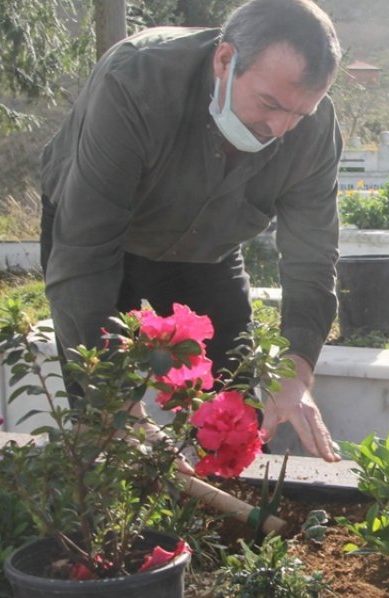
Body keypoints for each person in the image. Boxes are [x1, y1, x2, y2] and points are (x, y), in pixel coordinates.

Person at [39, 0, 342, 462]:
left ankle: (222, 520)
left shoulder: (314, 131)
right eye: (269, 104)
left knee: (233, 411)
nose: (279, 129)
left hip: (207, 251)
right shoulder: (136, 81)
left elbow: (312, 261)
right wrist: (122, 408)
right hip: (105, 241)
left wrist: (295, 375)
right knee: (106, 424)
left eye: (298, 114)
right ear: (225, 61)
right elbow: (84, 253)